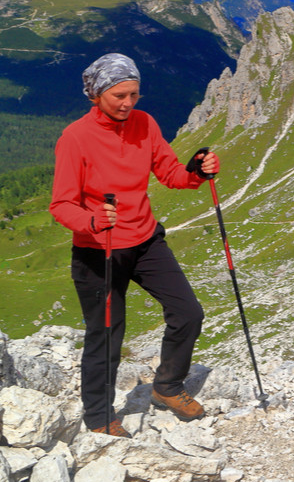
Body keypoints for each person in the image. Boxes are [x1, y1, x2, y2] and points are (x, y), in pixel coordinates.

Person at [49, 52, 220, 437]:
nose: (128, 103)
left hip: (145, 240)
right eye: (119, 96)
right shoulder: (75, 138)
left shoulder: (144, 123)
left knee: (188, 313)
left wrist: (197, 171)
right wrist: (90, 221)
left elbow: (171, 173)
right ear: (96, 94)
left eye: (134, 94)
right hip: (98, 250)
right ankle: (98, 417)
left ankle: (167, 387)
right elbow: (60, 204)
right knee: (107, 333)